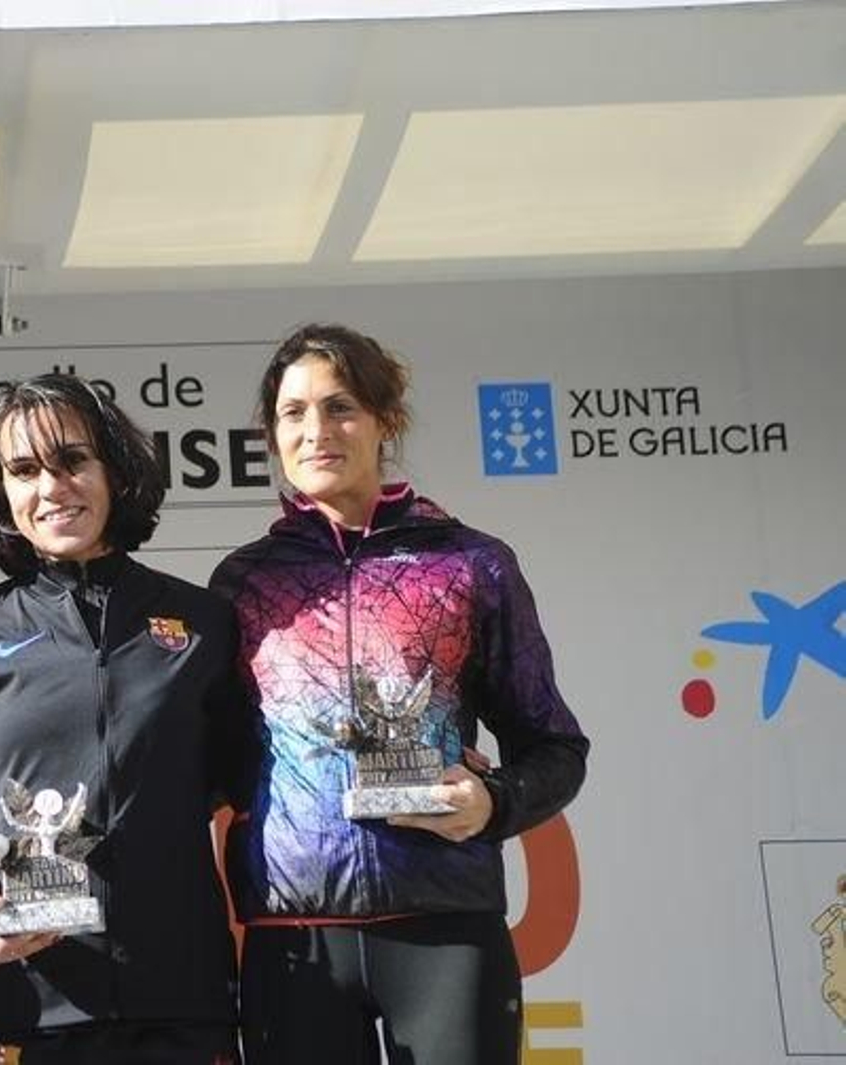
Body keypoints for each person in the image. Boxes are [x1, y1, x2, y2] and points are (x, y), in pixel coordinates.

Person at [209, 323, 590, 1065]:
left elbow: (555, 745)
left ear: (387, 419)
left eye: (341, 406)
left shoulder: (471, 563)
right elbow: (216, 759)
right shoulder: (243, 581)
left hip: (445, 923)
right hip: (295, 939)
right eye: (293, 412)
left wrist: (494, 803)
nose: (316, 430)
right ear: (272, 432)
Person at [0, 373, 247, 1065]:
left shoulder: (205, 623)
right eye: (24, 469)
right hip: (32, 1000)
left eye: (72, 460)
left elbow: (247, 781)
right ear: (0, 491)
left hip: (181, 998)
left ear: (115, 471)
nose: (52, 486)